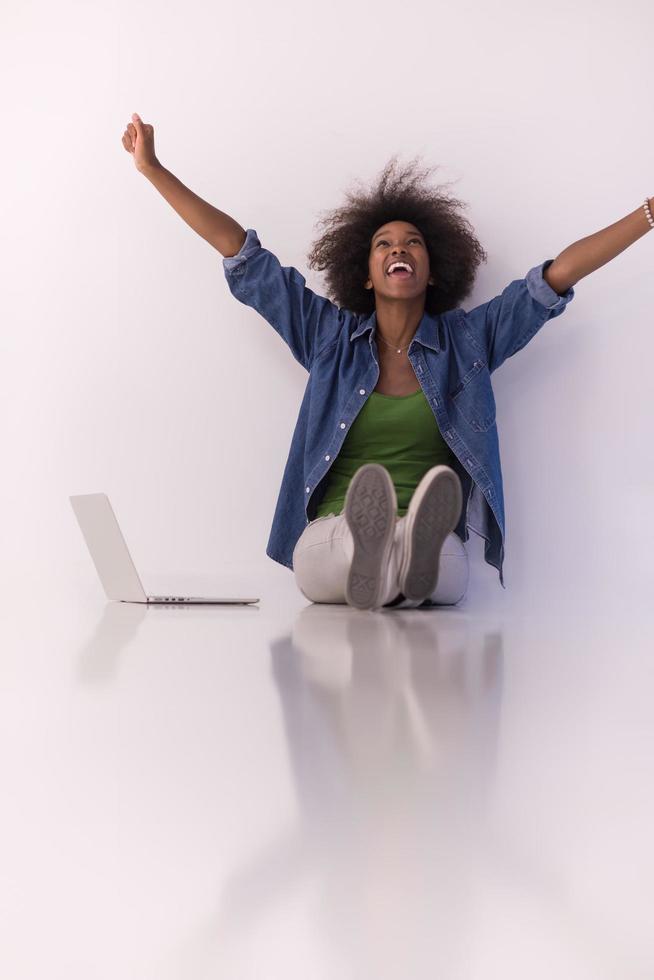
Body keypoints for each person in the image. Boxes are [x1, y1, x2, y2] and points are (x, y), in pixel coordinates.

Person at [121, 114, 581, 611]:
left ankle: (402, 559)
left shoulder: (468, 341)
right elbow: (243, 255)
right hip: (335, 530)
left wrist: (647, 213)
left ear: (432, 272)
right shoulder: (328, 337)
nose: (399, 248)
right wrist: (152, 168)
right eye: (384, 244)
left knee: (444, 566)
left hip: (427, 543)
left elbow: (553, 280)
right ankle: (384, 561)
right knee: (348, 548)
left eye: (412, 243)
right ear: (365, 275)